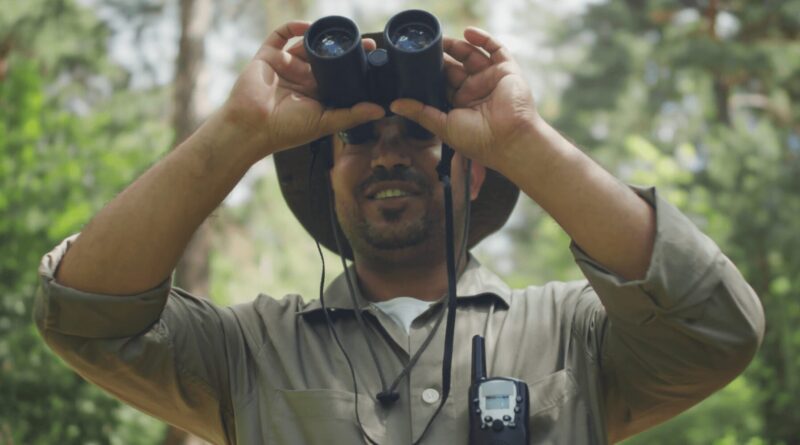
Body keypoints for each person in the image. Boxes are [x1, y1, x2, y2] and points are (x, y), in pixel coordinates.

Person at [35, 20, 764, 445]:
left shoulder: (574, 333)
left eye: (417, 133)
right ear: (327, 176)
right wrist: (237, 132)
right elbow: (85, 315)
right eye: (357, 139)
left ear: (474, 171)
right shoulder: (249, 350)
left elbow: (717, 329)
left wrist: (523, 137)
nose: (386, 154)